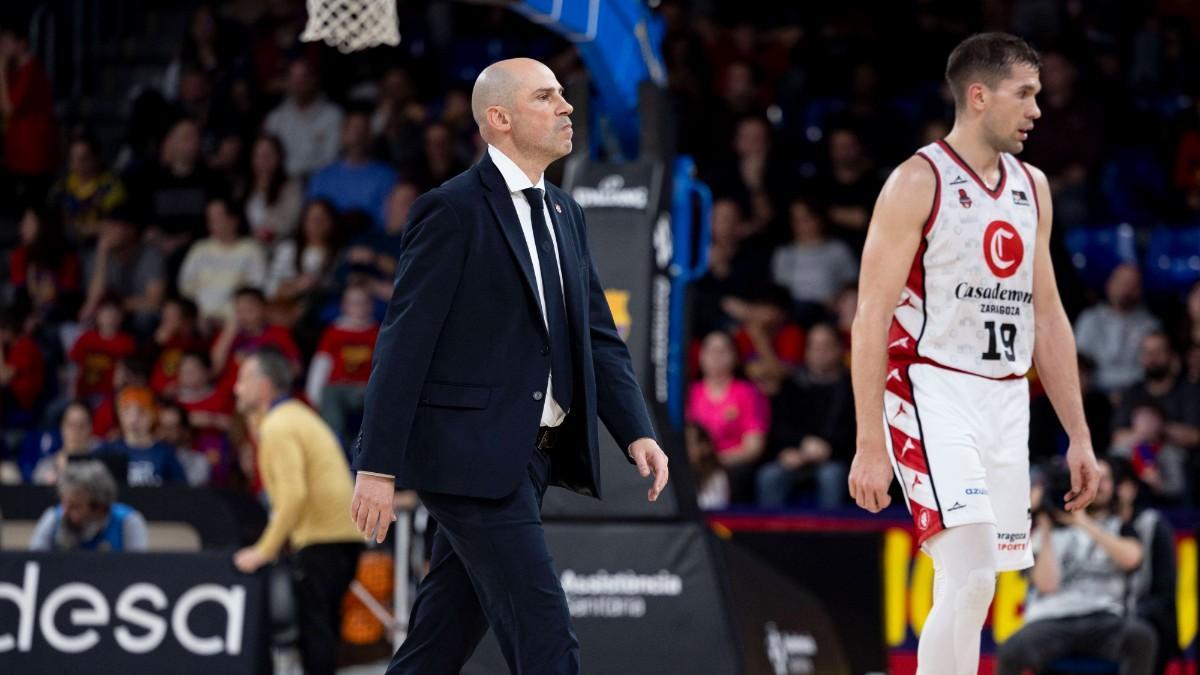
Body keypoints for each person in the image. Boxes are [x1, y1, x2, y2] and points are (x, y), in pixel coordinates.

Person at [350, 58, 669, 675]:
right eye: (546, 97)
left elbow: (597, 338)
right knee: (546, 635)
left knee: (440, 639)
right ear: (499, 119)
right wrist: (377, 465)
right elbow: (403, 345)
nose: (567, 107)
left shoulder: (565, 212)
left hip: (531, 455)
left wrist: (636, 430)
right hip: (464, 455)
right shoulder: (450, 210)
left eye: (562, 96)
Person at [847, 33, 1099, 675]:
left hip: (1005, 397)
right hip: (931, 390)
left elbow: (1048, 315)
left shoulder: (1033, 186)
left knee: (976, 586)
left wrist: (1078, 434)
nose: (1037, 110)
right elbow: (871, 317)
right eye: (1025, 95)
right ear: (980, 97)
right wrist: (870, 442)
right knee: (971, 575)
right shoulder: (915, 180)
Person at [231, 348, 362, 675]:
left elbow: (292, 496)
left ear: (262, 386)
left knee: (314, 635)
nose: (235, 388)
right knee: (322, 632)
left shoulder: (279, 425)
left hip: (322, 539)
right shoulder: (295, 415)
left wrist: (264, 550)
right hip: (339, 536)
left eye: (242, 380)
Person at [995, 459, 1156, 675]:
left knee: (1142, 637)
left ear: (1114, 486)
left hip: (1103, 618)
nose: (1096, 486)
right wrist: (1044, 523)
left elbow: (1132, 559)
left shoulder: (1120, 526)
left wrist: (1081, 521)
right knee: (1010, 651)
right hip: (1051, 620)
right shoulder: (1044, 533)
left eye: (1103, 479)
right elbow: (1047, 585)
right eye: (1089, 479)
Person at [757, 323, 854, 509]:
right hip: (795, 455)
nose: (820, 352)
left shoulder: (851, 387)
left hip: (836, 458)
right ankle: (771, 536)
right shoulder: (791, 384)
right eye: (814, 346)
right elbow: (779, 427)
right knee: (769, 476)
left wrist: (829, 449)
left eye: (826, 346)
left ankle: (829, 535)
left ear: (839, 349)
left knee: (831, 476)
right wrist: (797, 446)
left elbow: (855, 431)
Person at [687, 330, 770, 503]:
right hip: (695, 463)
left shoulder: (748, 393)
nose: (716, 357)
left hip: (732, 465)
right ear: (700, 355)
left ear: (735, 356)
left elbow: (753, 447)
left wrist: (713, 462)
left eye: (723, 351)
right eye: (710, 350)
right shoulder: (690, 393)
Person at [306, 284, 379, 444]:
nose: (357, 308)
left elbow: (381, 367)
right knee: (330, 395)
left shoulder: (377, 333)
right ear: (343, 306)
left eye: (362, 303)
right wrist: (314, 394)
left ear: (371, 306)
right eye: (352, 303)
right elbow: (321, 364)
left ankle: (362, 445)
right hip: (338, 388)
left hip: (364, 389)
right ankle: (333, 441)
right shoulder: (334, 332)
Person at [1074, 264, 1161, 394]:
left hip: (1137, 395)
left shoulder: (1150, 325)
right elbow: (1079, 365)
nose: (1126, 289)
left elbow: (1151, 370)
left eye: (1132, 284)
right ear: (1109, 284)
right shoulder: (1089, 319)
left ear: (1140, 290)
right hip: (1093, 394)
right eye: (1122, 282)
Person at [29, 461, 149, 552]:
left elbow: (139, 570)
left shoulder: (128, 522)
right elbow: (33, 563)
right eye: (64, 504)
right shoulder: (53, 519)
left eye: (74, 507)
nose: (65, 512)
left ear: (99, 508)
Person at [96, 385, 187, 487]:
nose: (133, 419)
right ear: (119, 415)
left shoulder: (165, 453)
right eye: (127, 411)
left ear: (153, 415)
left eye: (141, 412)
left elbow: (180, 489)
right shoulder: (107, 450)